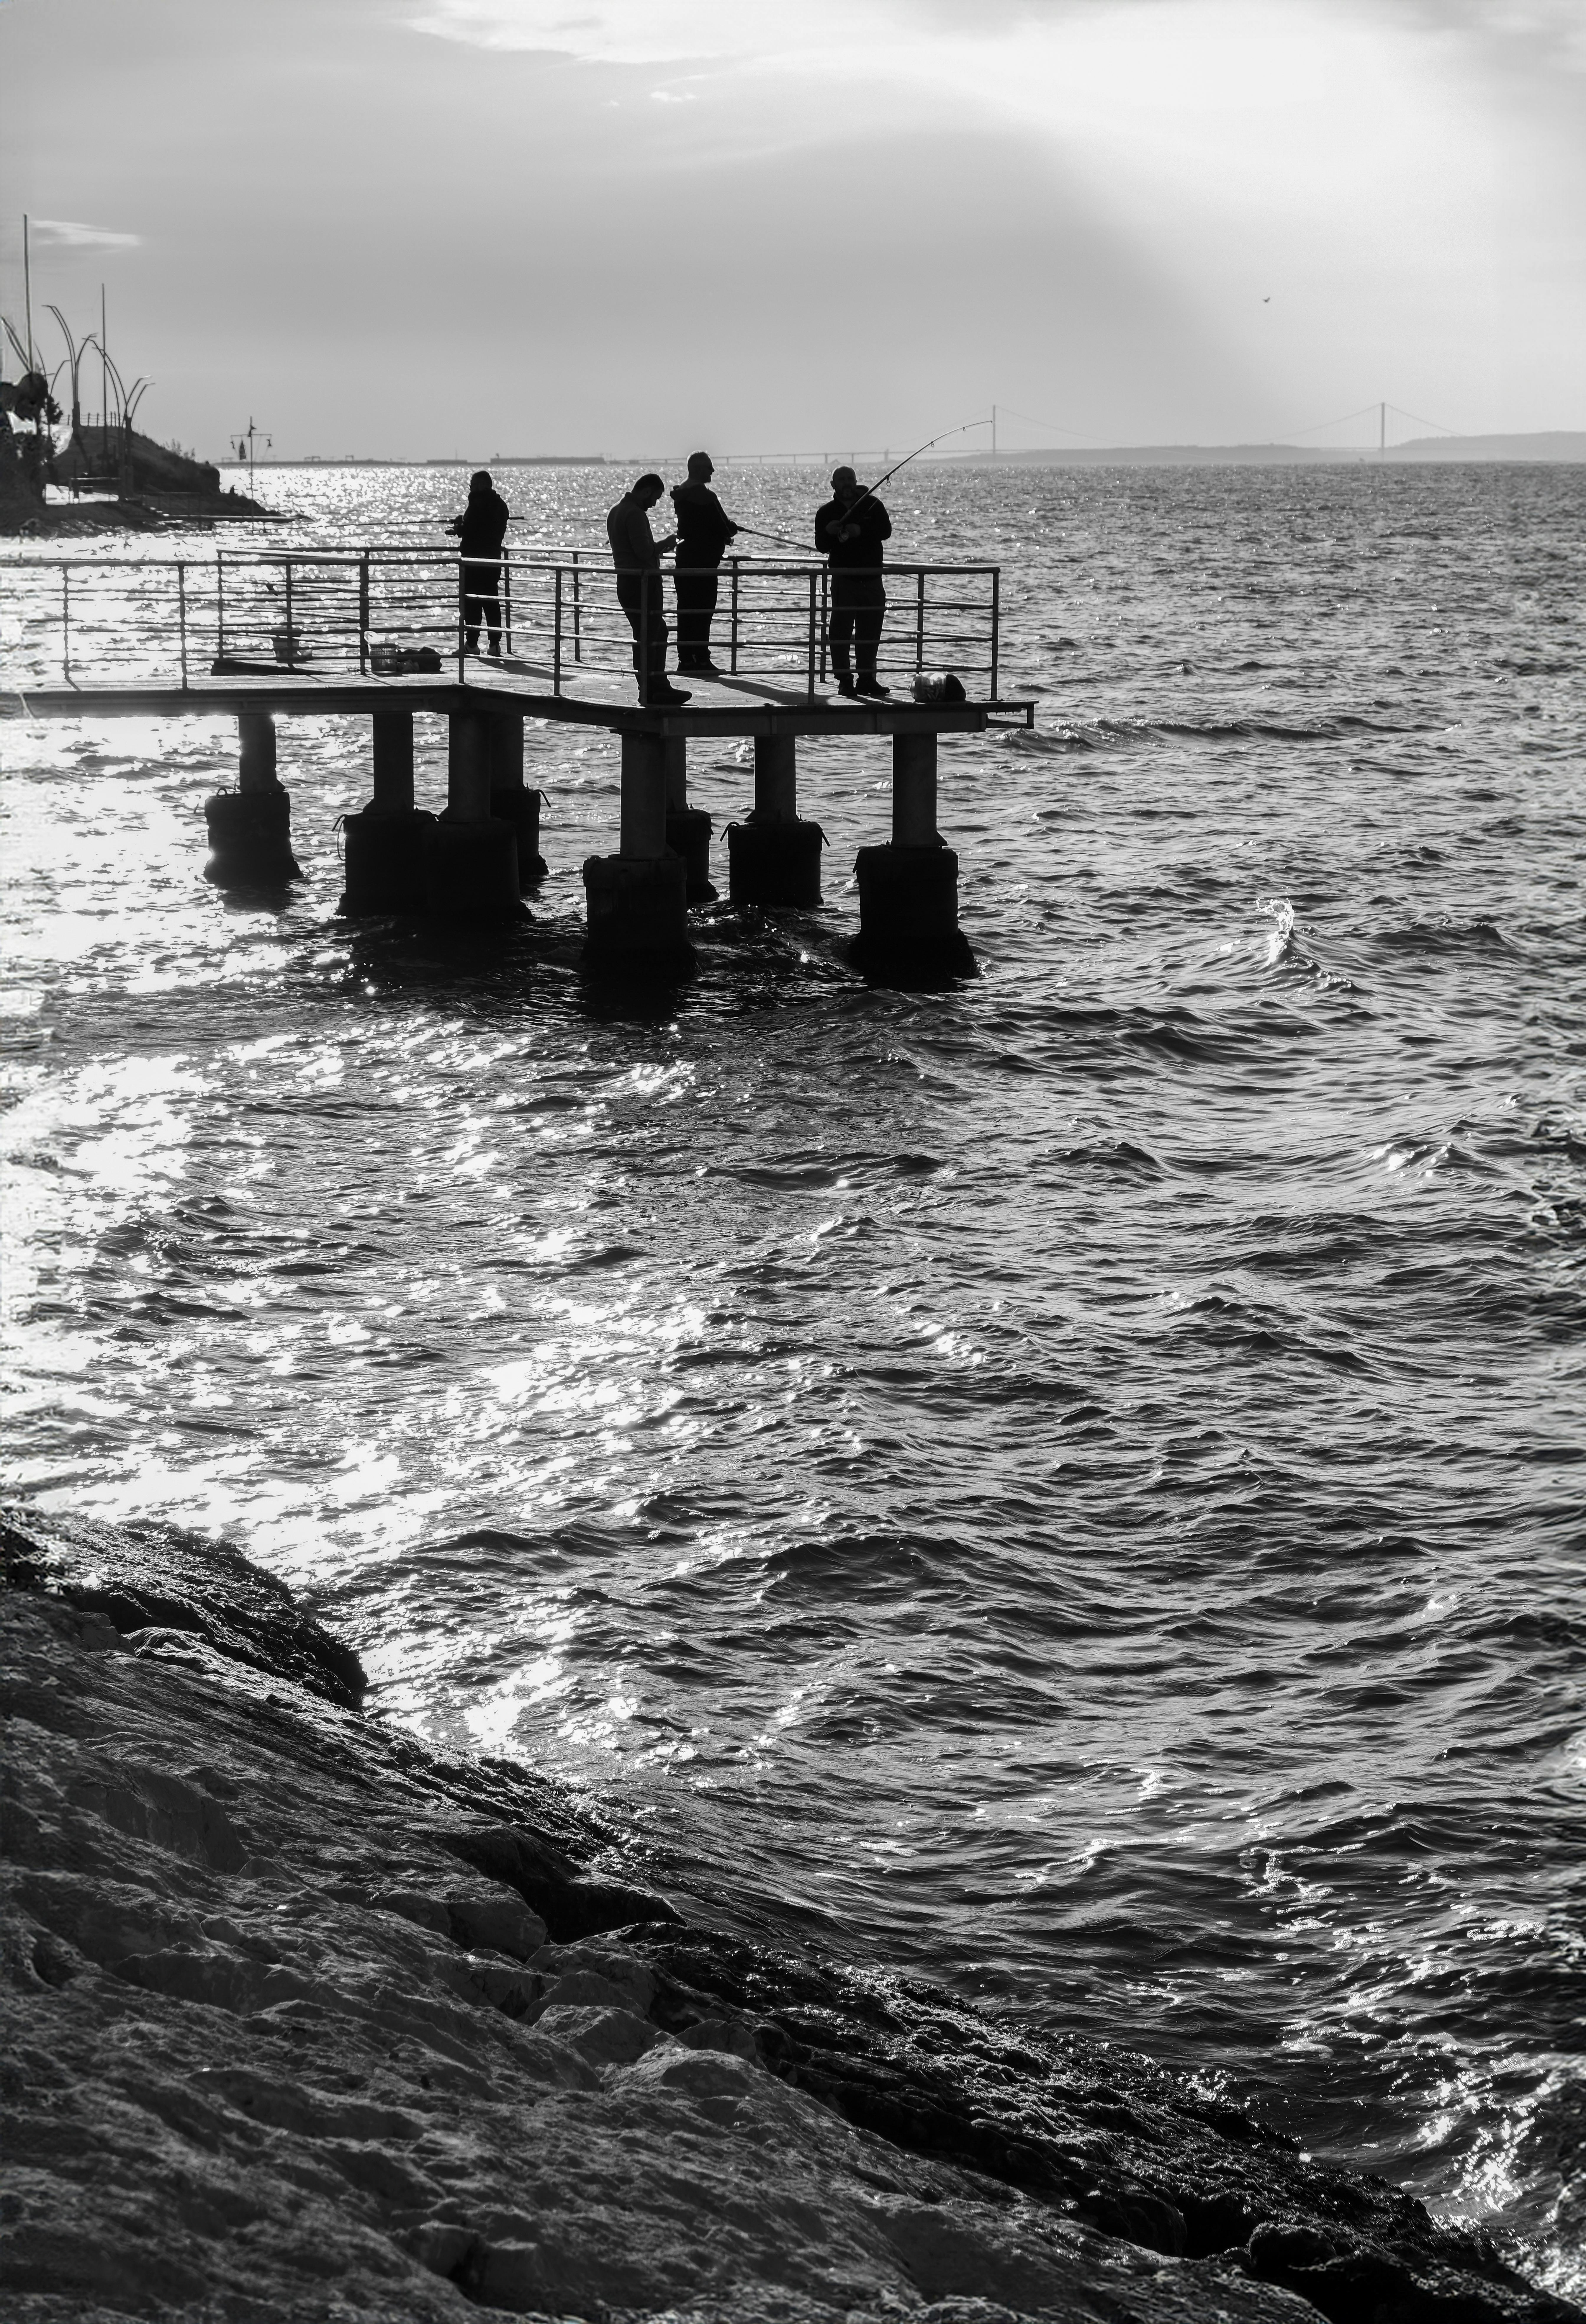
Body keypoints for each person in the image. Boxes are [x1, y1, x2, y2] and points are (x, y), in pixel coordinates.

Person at [606, 474, 690, 706]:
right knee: (653, 634)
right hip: (641, 584)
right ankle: (656, 687)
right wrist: (667, 543)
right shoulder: (635, 514)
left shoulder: (616, 510)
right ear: (646, 491)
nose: (654, 504)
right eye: (655, 498)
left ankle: (651, 687)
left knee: (647, 633)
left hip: (626, 582)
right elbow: (643, 552)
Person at [815, 466, 892, 698]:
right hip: (844, 580)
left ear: (856, 481)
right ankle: (844, 678)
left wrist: (862, 530)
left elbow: (886, 531)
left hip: (872, 578)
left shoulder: (872, 504)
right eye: (842, 480)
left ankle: (867, 678)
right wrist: (829, 533)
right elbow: (822, 546)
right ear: (833, 485)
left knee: (870, 631)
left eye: (850, 479)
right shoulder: (826, 512)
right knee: (840, 630)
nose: (847, 483)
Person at [669, 452, 740, 676]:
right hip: (704, 563)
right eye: (709, 467)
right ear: (698, 469)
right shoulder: (705, 495)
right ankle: (701, 659)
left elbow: (698, 527)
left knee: (686, 611)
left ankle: (686, 660)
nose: (713, 471)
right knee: (703, 611)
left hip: (684, 560)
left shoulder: (680, 494)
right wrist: (731, 530)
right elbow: (722, 525)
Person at [447, 470, 510, 657]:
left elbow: (473, 530)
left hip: (474, 561)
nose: (471, 488)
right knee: (492, 602)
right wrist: (463, 525)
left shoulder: (477, 504)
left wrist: (459, 528)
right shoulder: (500, 505)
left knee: (473, 603)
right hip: (492, 562)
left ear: (483, 485)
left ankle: (472, 644)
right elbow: (485, 528)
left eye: (473, 485)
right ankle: (495, 645)